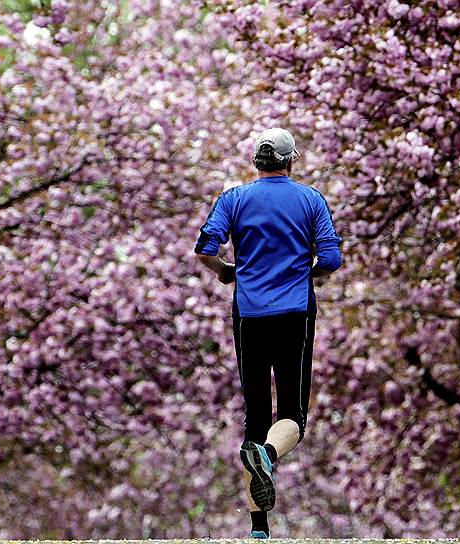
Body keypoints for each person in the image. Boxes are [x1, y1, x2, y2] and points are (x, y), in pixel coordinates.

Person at [193, 127, 343, 538]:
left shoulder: (234, 199)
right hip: (295, 312)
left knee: (255, 415)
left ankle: (259, 528)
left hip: (248, 314)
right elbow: (330, 259)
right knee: (292, 414)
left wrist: (226, 271)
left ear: (255, 162)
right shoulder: (311, 200)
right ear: (291, 160)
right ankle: (269, 454)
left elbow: (205, 249)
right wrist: (308, 273)